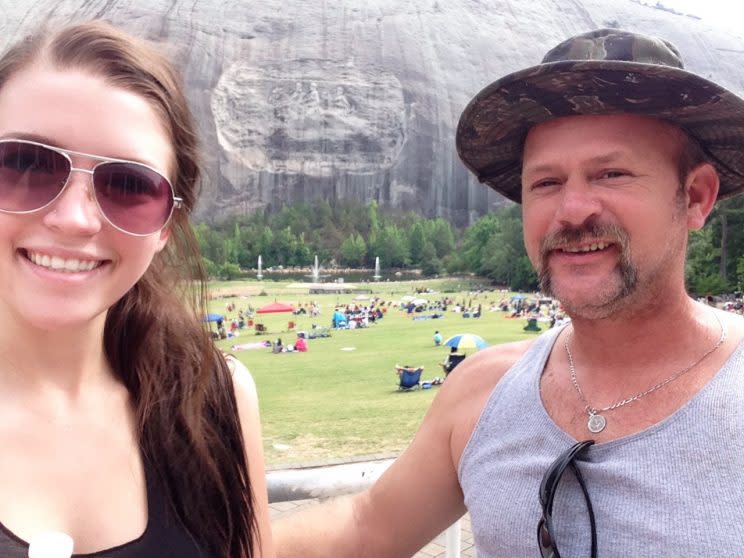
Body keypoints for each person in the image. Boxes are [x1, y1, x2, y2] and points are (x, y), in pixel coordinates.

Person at [274, 28, 744, 557]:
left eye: (611, 173)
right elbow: (367, 528)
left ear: (696, 197)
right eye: (545, 183)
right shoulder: (483, 392)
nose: (572, 210)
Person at [0, 20, 273, 557]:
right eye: (24, 164)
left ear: (165, 226)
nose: (74, 219)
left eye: (129, 186)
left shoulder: (213, 399)